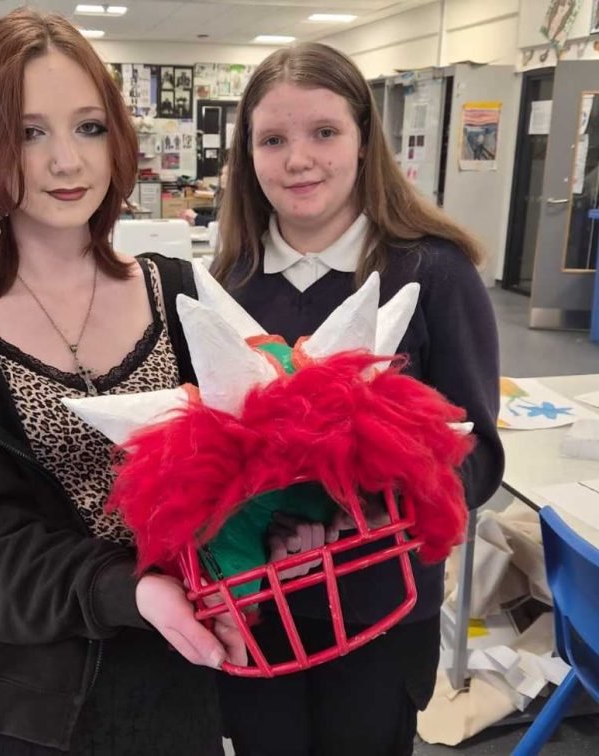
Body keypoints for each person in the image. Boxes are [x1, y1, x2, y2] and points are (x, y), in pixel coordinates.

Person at [0, 8, 244, 755]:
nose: (67, 161)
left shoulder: (183, 294)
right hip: (23, 711)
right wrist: (126, 586)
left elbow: (243, 468)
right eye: (30, 133)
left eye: (89, 126)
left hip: (172, 685)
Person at [211, 43, 505, 756]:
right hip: (259, 604)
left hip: (382, 607)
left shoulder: (433, 273)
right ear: (247, 155)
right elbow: (210, 449)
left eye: (324, 133)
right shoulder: (225, 285)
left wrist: (378, 509)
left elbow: (480, 455)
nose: (297, 160)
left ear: (364, 139)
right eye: (272, 140)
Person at [179, 162, 228, 227]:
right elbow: (216, 213)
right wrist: (194, 217)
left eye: (227, 174)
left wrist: (196, 216)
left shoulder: (237, 200)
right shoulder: (225, 195)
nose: (222, 177)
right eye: (222, 174)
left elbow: (219, 223)